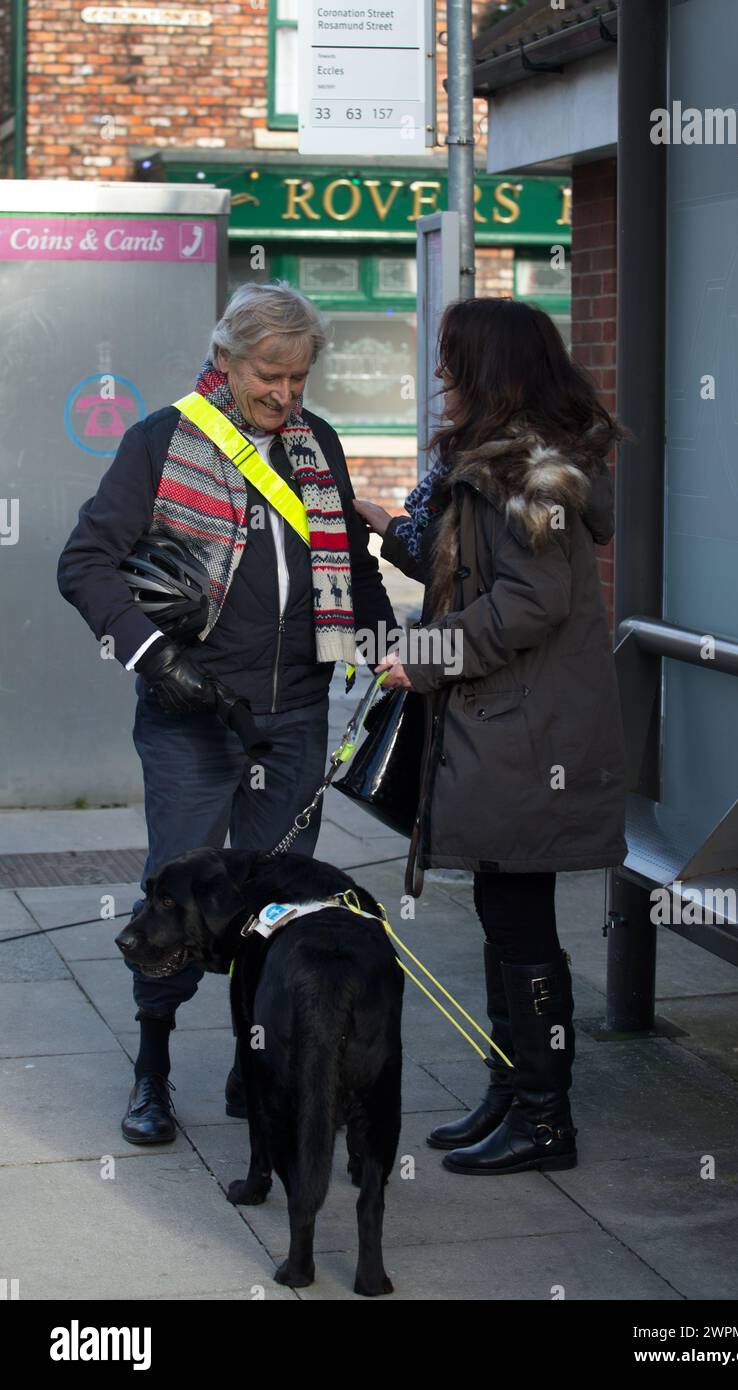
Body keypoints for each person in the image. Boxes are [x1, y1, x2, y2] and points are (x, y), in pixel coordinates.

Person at [58, 281, 396, 1144]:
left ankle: (260, 1064)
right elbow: (86, 562)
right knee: (178, 890)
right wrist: (151, 655)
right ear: (224, 358)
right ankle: (153, 1068)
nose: (285, 395)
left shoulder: (317, 443)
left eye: (299, 377)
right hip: (193, 714)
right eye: (268, 375)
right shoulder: (162, 441)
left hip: (297, 713)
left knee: (278, 903)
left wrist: (385, 640)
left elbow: (350, 566)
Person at [354, 297, 627, 1175]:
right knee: (502, 911)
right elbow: (462, 568)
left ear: (490, 369)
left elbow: (530, 601)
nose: (440, 375)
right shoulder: (496, 467)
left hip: (529, 733)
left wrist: (420, 657)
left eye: (451, 358)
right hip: (508, 725)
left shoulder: (532, 476)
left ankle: (545, 1118)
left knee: (518, 921)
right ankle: (512, 1093)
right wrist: (376, 521)